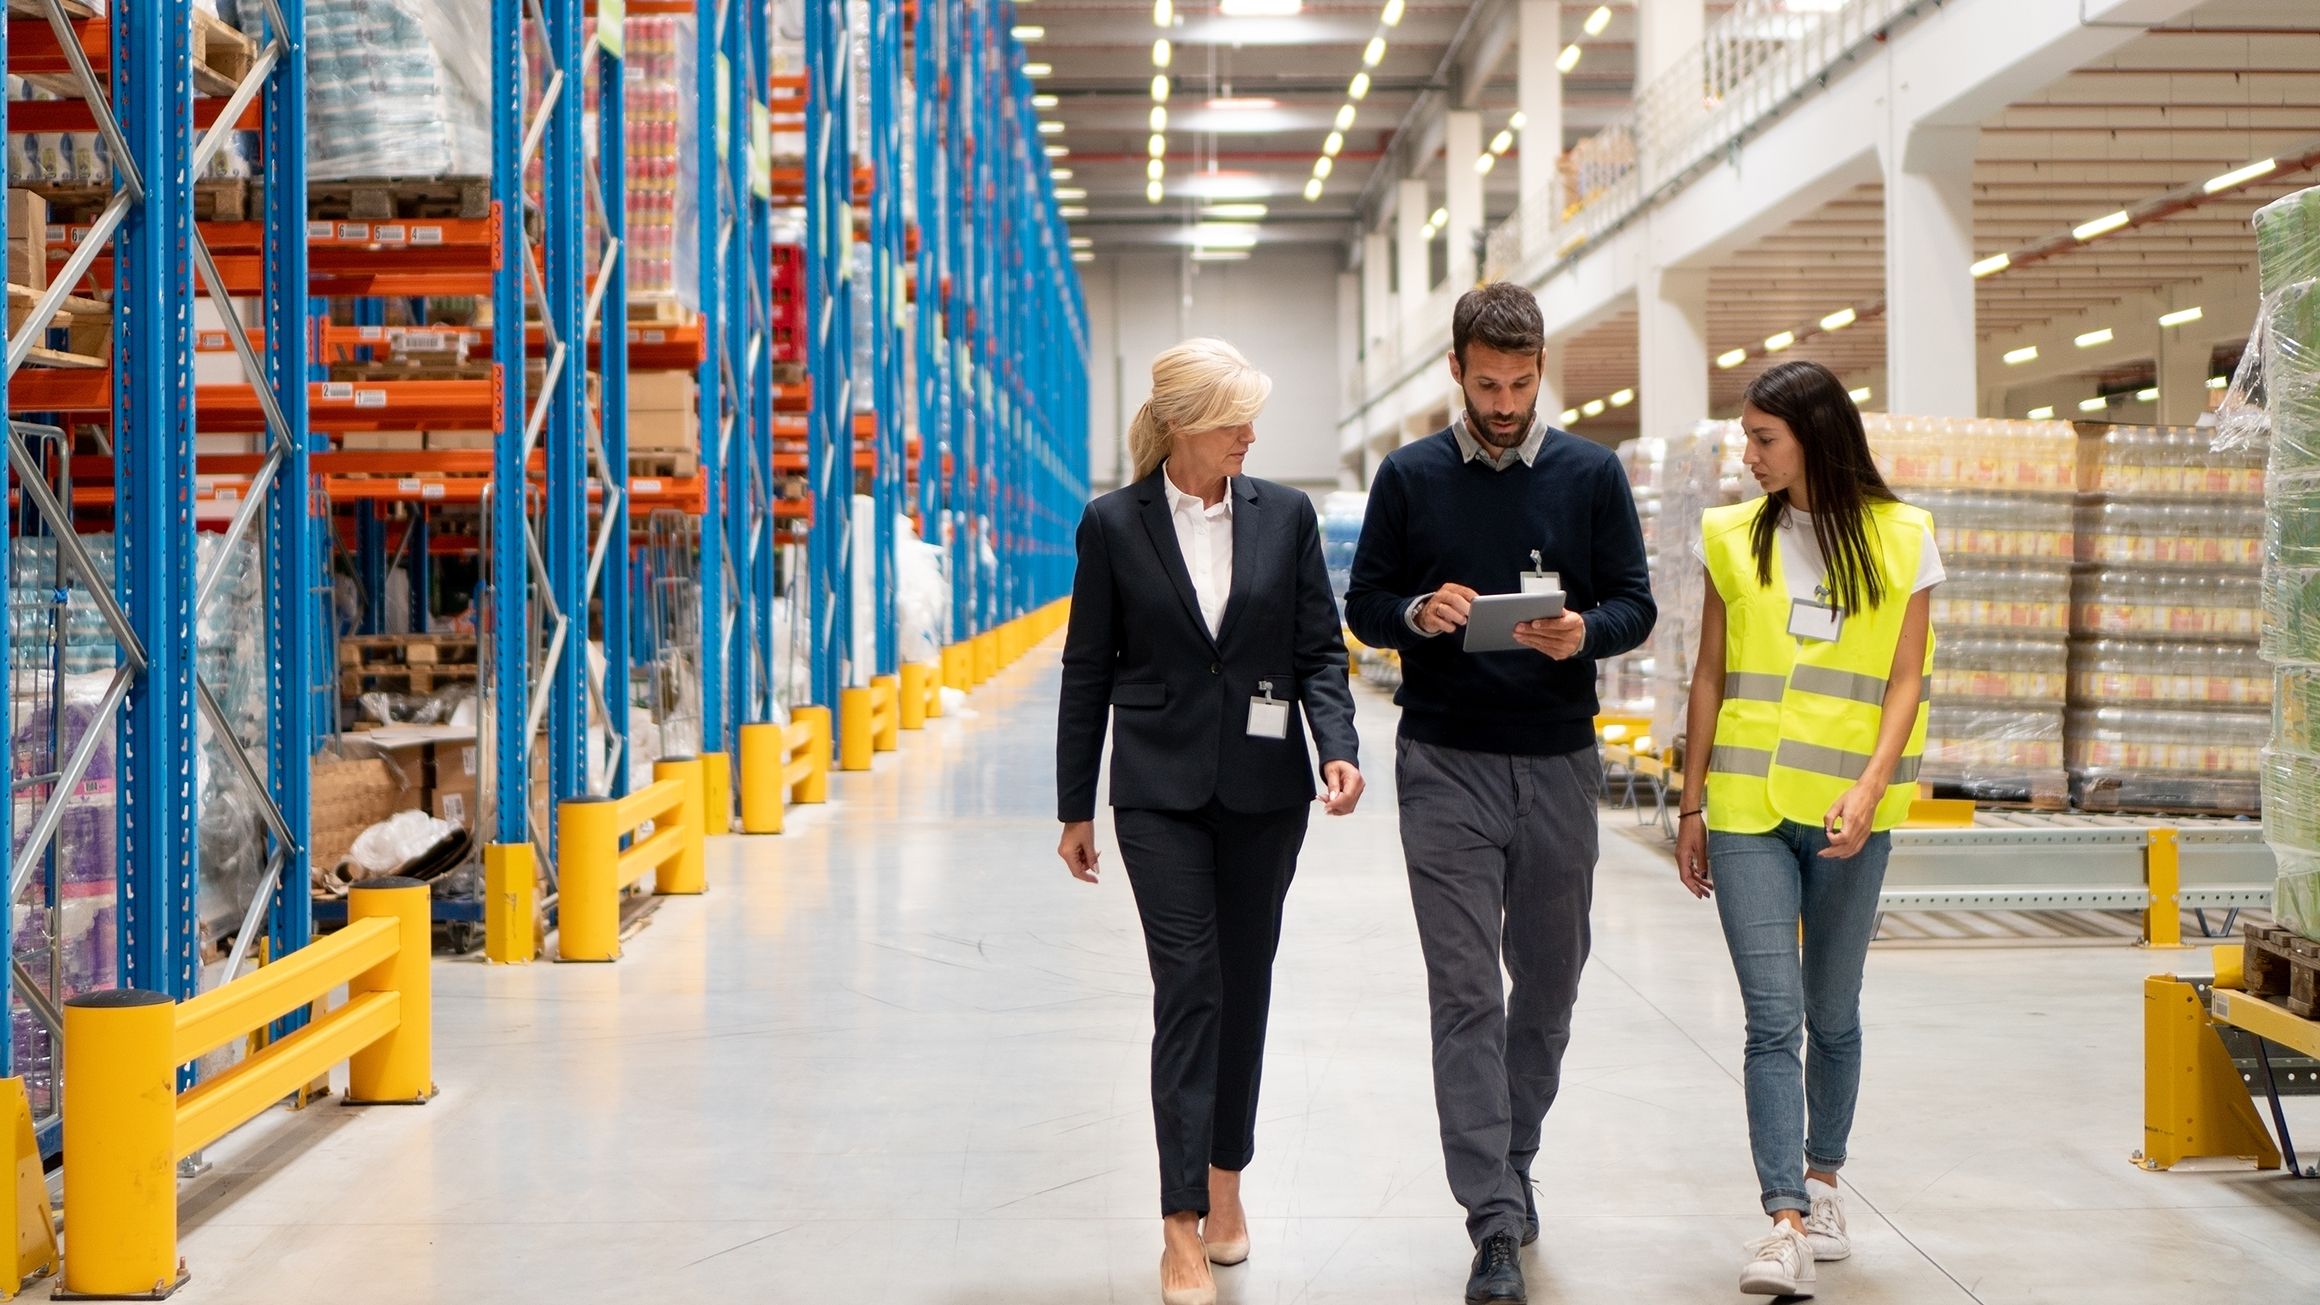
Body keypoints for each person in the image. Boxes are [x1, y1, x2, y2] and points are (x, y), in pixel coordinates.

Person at [1344, 282, 1655, 1305]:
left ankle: (1513, 1158)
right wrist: (1416, 612)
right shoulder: (1407, 477)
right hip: (1444, 762)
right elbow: (1365, 604)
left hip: (1560, 759)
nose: (1507, 401)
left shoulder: (1591, 474)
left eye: (1523, 382)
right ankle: (1489, 1216)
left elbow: (1634, 605)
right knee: (1467, 991)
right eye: (1489, 383)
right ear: (1456, 372)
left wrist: (1584, 632)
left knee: (1551, 984)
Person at [1054, 338, 1364, 1305]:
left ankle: (1228, 1181)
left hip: (1268, 789)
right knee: (1189, 986)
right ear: (1185, 421)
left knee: (1243, 985)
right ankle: (1179, 1226)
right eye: (1236, 418)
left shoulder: (1288, 514)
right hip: (1157, 790)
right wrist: (1075, 803)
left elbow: (1319, 647)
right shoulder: (1113, 523)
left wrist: (1338, 743)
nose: (1252, 433)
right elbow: (1086, 667)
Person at [1672, 358, 1941, 1298]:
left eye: (1762, 438)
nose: (1745, 456)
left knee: (1833, 1013)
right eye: (1745, 437)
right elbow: (1708, 674)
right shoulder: (1730, 536)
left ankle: (1825, 1181)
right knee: (1770, 1018)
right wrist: (1691, 799)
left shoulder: (1904, 537)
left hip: (1849, 815)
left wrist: (1871, 789)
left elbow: (1906, 679)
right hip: (1746, 808)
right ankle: (1782, 1216)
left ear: (1814, 436)